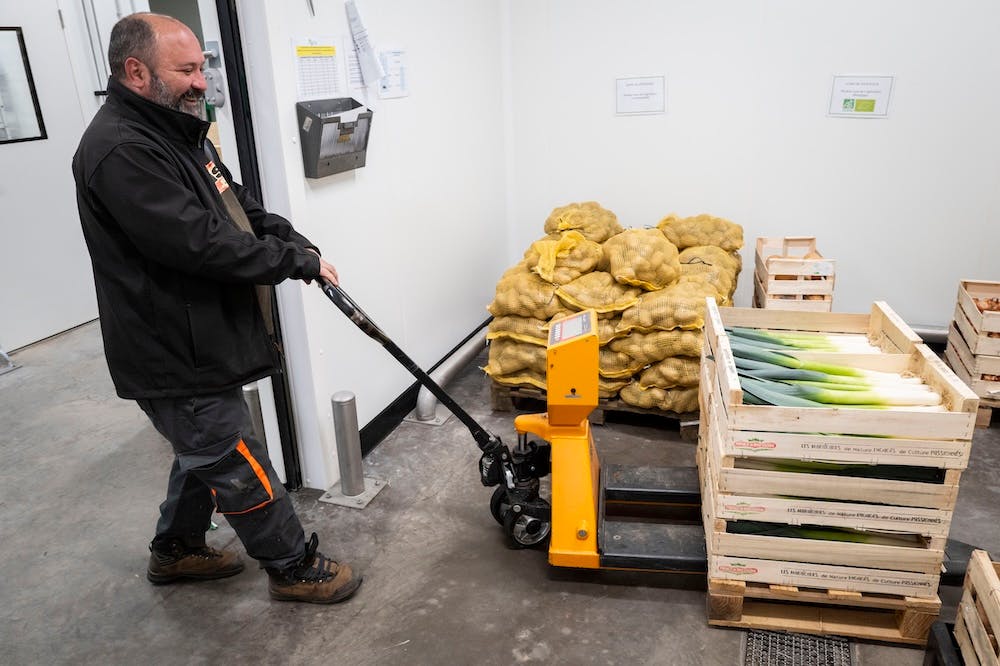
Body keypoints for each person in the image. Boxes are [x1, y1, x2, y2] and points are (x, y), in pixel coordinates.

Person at [72, 12, 361, 604]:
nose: (202, 82)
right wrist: (288, 262)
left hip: (200, 334)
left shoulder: (178, 131)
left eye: (201, 67)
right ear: (136, 71)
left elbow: (235, 206)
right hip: (169, 345)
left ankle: (176, 550)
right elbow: (197, 242)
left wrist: (291, 239)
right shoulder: (121, 150)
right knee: (232, 457)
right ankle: (291, 566)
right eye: (186, 70)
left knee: (202, 448)